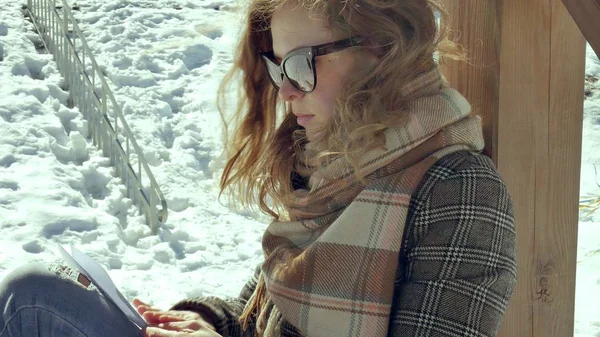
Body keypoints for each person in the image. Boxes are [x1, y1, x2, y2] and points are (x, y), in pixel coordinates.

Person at [0, 0, 517, 336]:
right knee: (36, 291)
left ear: (383, 49)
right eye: (277, 68)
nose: (286, 90)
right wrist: (198, 322)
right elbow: (256, 315)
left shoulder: (458, 190)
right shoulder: (332, 174)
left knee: (33, 305)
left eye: (301, 63)